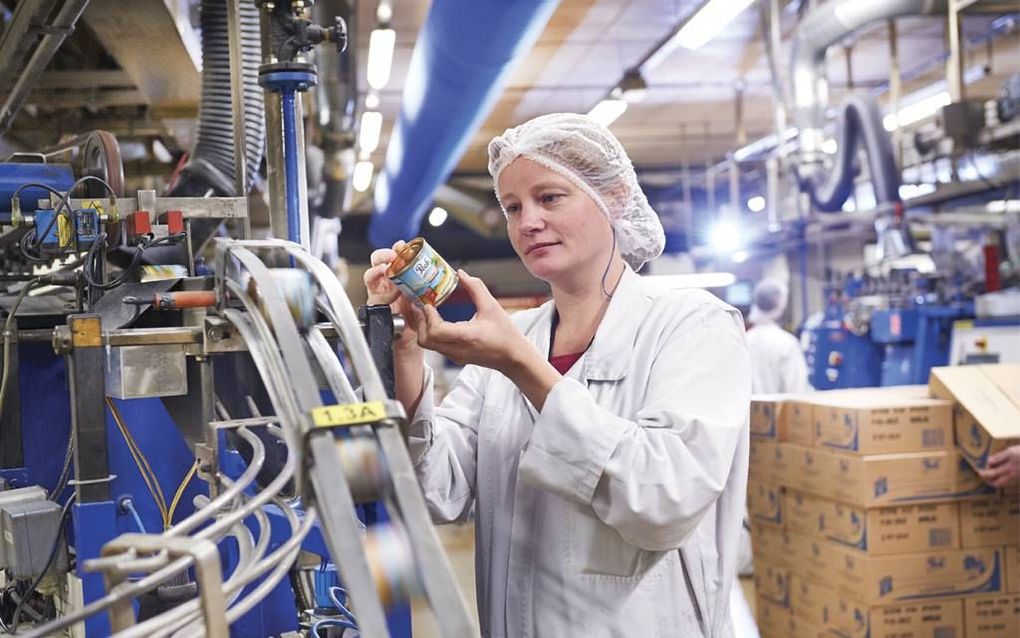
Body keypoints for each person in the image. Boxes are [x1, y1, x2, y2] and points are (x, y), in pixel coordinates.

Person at [364, 113, 751, 637]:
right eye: (512, 207)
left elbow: (663, 496)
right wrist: (407, 354)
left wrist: (522, 366)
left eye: (550, 198)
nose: (527, 223)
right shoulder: (511, 337)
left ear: (614, 198)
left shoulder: (691, 326)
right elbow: (439, 492)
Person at [745, 278, 811, 394]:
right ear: (781, 305)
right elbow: (797, 390)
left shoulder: (744, 340)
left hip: (748, 412)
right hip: (780, 412)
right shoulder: (786, 343)